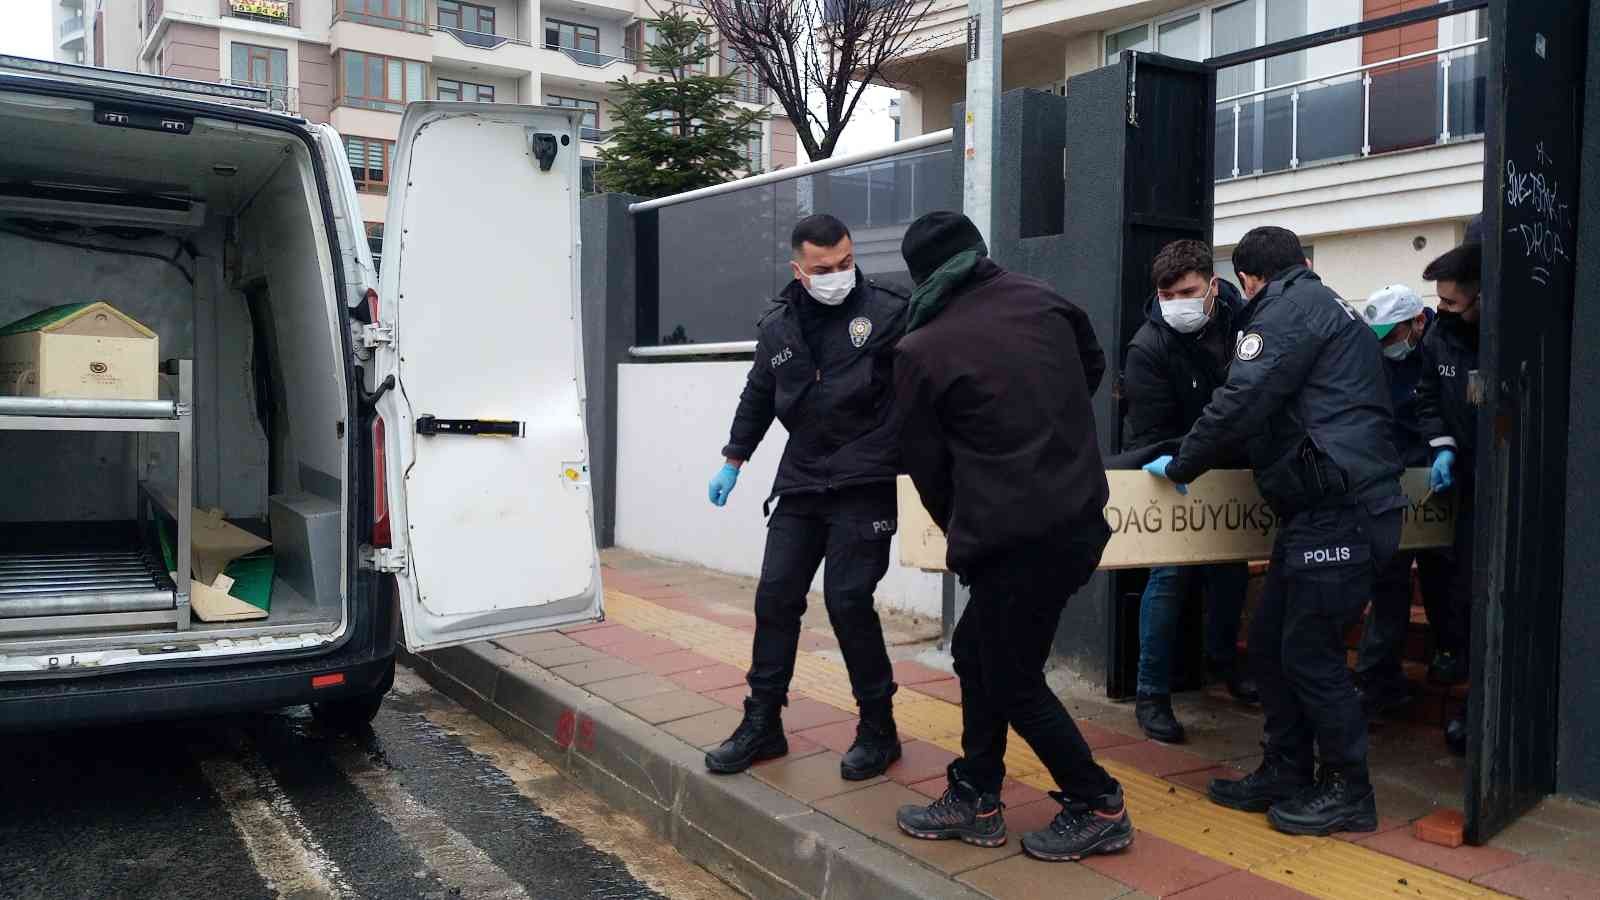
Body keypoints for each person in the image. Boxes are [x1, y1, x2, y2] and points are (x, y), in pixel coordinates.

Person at [1146, 225, 1405, 837]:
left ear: (1246, 280)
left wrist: (1182, 462)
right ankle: (1286, 769)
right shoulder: (1325, 303)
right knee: (1268, 645)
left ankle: (1348, 789)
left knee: (1310, 652)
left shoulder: (1285, 311)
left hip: (1339, 508)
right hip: (1315, 511)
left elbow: (1242, 400)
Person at [891, 212, 1132, 863]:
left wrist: (969, 524)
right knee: (977, 652)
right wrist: (1045, 433)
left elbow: (929, 471)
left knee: (1010, 675)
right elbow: (1091, 368)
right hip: (1078, 520)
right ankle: (976, 791)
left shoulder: (921, 349)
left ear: (919, 277)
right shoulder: (1046, 301)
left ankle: (1098, 802)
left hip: (1014, 539)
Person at [703, 214, 908, 780]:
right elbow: (760, 392)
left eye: (846, 262)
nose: (839, 274)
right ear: (799, 269)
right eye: (825, 268)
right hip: (802, 479)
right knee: (774, 597)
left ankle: (879, 728)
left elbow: (924, 382)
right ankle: (763, 723)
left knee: (847, 600)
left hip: (865, 479)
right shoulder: (779, 326)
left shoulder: (889, 309)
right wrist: (733, 460)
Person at [1123, 240, 1258, 745]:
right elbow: (1149, 432)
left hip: (1231, 470)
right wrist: (1183, 459)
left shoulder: (1243, 324)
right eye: (1167, 293)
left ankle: (1225, 665)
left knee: (1231, 571)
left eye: (1188, 291)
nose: (1176, 302)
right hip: (1173, 471)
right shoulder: (1149, 347)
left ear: (1212, 287)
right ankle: (1151, 693)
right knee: (1169, 577)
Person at [1352, 284, 1452, 720]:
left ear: (1418, 322)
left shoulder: (1442, 349)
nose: (1387, 345)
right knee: (1389, 582)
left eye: (1393, 336)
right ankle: (1378, 682)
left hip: (1436, 480)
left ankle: (1450, 653)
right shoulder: (1376, 359)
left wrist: (1443, 453)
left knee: (1443, 577)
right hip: (1393, 482)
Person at [1416, 240, 1483, 755]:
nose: (1441, 311)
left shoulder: (1505, 339)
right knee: (1458, 587)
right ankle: (1463, 688)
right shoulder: (1439, 337)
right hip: (1461, 480)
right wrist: (1443, 446)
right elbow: (1427, 397)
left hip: (1502, 480)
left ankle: (1481, 706)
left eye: (1452, 303)